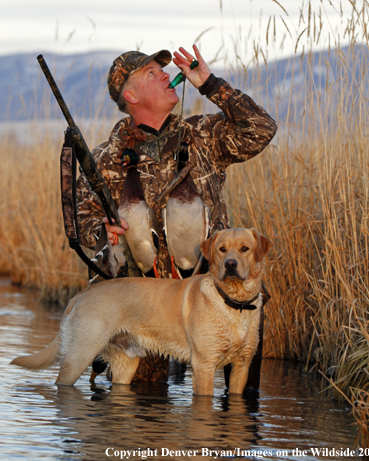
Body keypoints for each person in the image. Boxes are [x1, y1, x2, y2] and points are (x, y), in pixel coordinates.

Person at [76, 44, 277, 385]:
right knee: (142, 410)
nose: (167, 75)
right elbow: (84, 223)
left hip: (221, 295)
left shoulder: (203, 136)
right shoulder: (106, 161)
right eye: (153, 74)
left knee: (242, 405)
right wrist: (104, 229)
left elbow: (260, 129)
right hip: (146, 309)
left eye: (164, 70)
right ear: (132, 95)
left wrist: (210, 84)